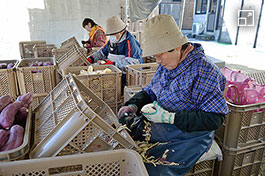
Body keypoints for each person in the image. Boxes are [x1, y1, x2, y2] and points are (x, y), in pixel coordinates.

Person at [118, 14, 228, 176]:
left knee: (154, 170)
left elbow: (215, 119)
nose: (157, 61)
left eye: (160, 55)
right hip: (161, 126)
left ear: (177, 46)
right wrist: (133, 104)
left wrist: (170, 118)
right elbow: (150, 92)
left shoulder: (205, 72)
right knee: (126, 141)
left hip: (189, 136)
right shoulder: (168, 63)